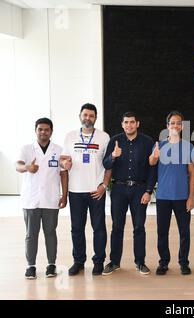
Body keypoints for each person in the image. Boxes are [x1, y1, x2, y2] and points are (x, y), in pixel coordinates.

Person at [102, 111, 156, 276]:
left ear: (137, 124)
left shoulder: (147, 142)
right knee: (117, 227)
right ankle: (114, 262)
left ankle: (140, 262)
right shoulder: (114, 141)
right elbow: (106, 164)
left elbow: (152, 169)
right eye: (126, 122)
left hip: (140, 190)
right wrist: (113, 156)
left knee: (139, 227)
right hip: (119, 189)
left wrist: (148, 191)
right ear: (122, 124)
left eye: (132, 122)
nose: (129, 125)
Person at [60, 103, 111, 276]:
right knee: (77, 228)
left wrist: (104, 185)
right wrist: (64, 164)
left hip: (95, 191)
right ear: (80, 116)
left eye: (91, 115)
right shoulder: (70, 137)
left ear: (95, 118)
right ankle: (79, 261)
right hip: (76, 190)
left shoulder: (104, 137)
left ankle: (98, 261)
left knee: (99, 227)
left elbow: (109, 164)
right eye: (85, 115)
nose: (87, 118)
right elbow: (63, 160)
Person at [16, 118, 68, 279]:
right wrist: (27, 167)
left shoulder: (59, 150)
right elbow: (18, 166)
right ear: (35, 130)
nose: (43, 132)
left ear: (51, 131)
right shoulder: (26, 149)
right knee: (31, 234)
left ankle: (51, 265)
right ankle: (30, 266)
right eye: (40, 129)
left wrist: (64, 195)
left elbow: (63, 173)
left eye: (46, 129)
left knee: (50, 232)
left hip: (51, 198)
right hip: (31, 199)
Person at [149, 111, 194, 276]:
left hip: (182, 197)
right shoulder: (159, 145)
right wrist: (154, 157)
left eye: (178, 123)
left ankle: (184, 262)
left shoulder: (188, 146)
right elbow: (151, 161)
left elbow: (192, 174)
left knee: (184, 232)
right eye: (172, 123)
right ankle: (163, 262)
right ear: (167, 126)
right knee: (162, 232)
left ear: (181, 126)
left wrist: (191, 197)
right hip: (163, 197)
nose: (175, 125)